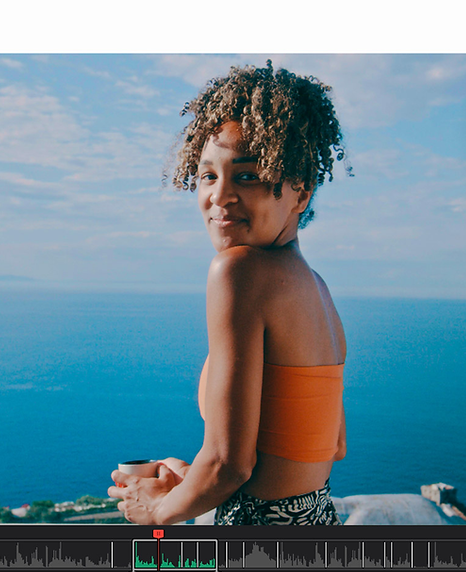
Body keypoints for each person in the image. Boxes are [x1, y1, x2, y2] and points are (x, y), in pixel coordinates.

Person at [108, 61, 348, 525]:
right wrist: (191, 480)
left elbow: (229, 464)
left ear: (300, 190)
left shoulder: (238, 272)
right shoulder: (316, 289)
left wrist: (157, 509)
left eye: (247, 175)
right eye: (208, 176)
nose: (219, 197)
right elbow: (330, 446)